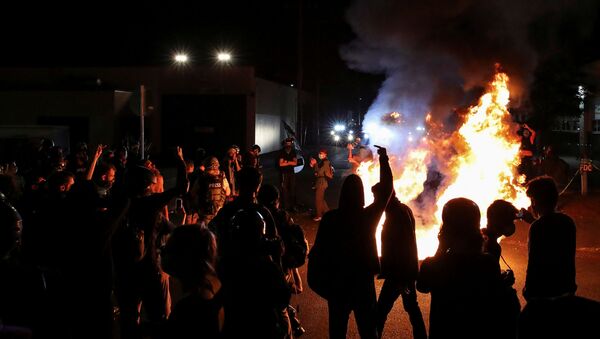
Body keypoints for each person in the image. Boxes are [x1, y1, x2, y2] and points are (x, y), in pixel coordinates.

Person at [308, 146, 393, 339]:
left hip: (337, 282)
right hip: (362, 283)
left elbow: (319, 251)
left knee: (337, 332)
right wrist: (383, 159)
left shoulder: (330, 219)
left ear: (343, 194)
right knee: (369, 331)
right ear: (361, 194)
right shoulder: (367, 217)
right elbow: (387, 189)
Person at [112, 147, 189, 339]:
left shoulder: (118, 204)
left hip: (125, 272)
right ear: (148, 185)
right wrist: (180, 161)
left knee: (128, 321)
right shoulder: (150, 204)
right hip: (150, 270)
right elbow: (182, 187)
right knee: (159, 319)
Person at [417, 198, 505, 339]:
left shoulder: (433, 264)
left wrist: (441, 247)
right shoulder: (488, 263)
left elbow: (422, 286)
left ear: (445, 229)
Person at [376, 192, 426, 339]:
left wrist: (400, 278)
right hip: (406, 270)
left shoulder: (396, 215)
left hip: (398, 273)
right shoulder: (402, 209)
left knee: (381, 310)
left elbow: (401, 247)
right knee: (411, 307)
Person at [161, 225, 223, 339]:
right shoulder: (215, 286)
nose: (162, 250)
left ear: (184, 256)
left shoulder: (188, 309)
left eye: (169, 248)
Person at [521, 176, 576, 301]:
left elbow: (534, 263)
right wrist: (534, 221)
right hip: (566, 289)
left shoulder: (537, 227)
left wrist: (529, 291)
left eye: (531, 201)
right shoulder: (568, 222)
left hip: (543, 293)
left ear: (535, 202)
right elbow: (552, 235)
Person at [190, 157, 231, 225]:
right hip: (218, 213)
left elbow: (192, 193)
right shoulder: (222, 177)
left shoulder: (201, 178)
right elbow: (228, 193)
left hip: (204, 214)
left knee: (206, 233)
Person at [309, 149, 333, 222]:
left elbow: (319, 173)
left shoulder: (325, 162)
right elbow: (318, 172)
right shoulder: (323, 161)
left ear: (325, 154)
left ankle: (319, 216)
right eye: (319, 153)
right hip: (321, 182)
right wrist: (314, 165)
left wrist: (315, 164)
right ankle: (328, 213)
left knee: (318, 199)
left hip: (322, 182)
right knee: (321, 199)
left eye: (321, 153)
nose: (320, 154)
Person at [278, 138, 298, 211]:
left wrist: (286, 162)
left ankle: (292, 206)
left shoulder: (293, 152)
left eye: (290, 143)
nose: (289, 144)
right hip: (284, 173)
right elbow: (281, 164)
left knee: (293, 189)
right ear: (285, 144)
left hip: (292, 173)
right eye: (287, 143)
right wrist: (290, 162)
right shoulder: (282, 152)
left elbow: (295, 163)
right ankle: (285, 206)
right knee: (284, 189)